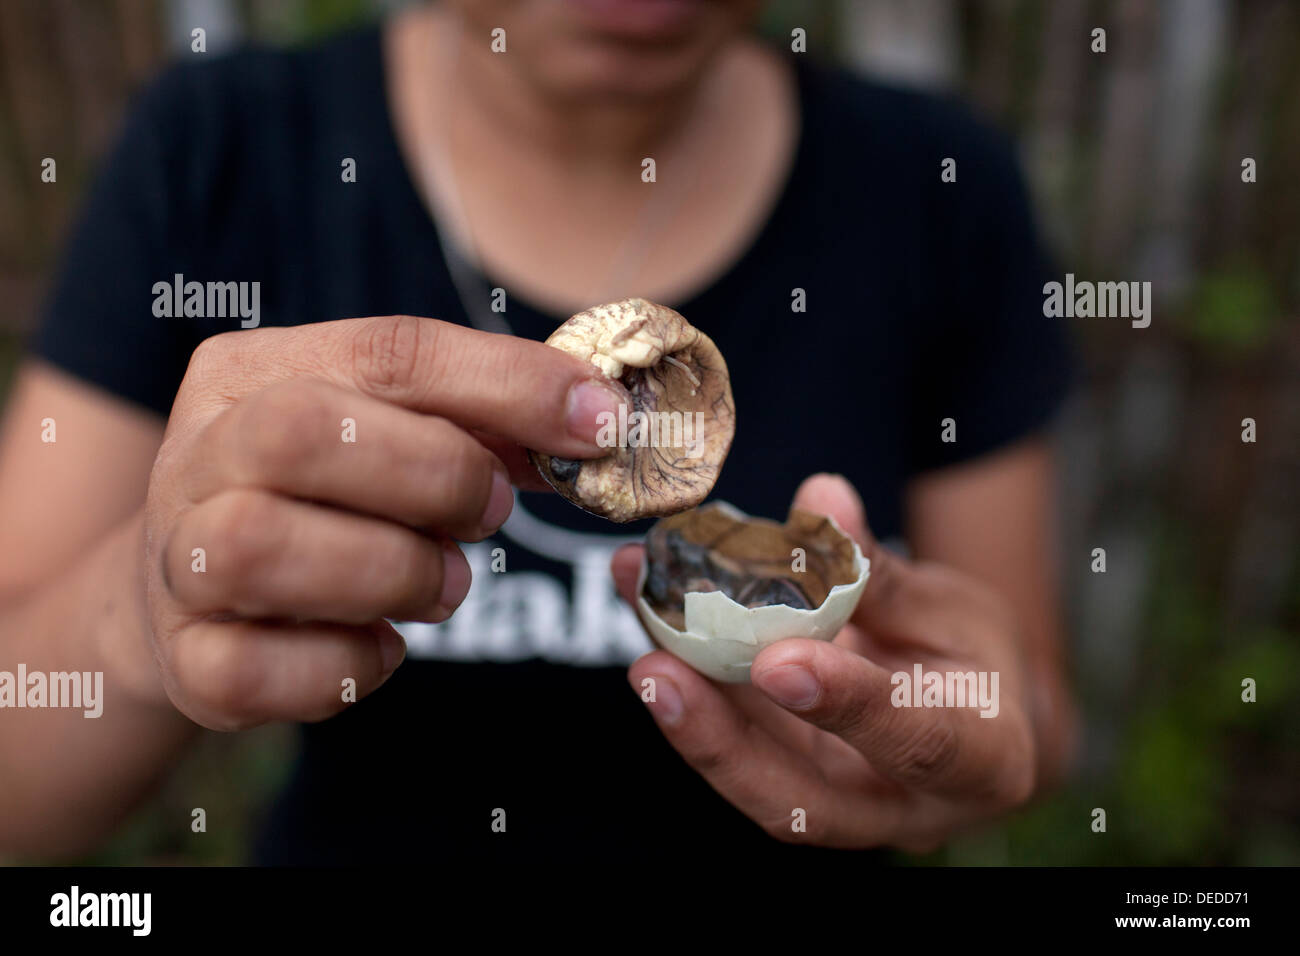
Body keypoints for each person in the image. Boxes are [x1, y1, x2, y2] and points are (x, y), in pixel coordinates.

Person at [0, 0, 1076, 863]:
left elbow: (1023, 701)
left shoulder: (937, 185)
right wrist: (135, 624)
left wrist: (951, 734)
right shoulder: (221, 155)